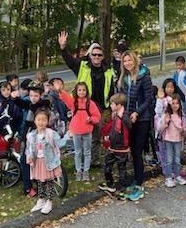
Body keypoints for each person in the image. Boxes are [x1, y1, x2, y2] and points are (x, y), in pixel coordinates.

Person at [58, 31, 115, 163]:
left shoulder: (108, 71)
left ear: (102, 57)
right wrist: (63, 48)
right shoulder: (82, 66)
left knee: (95, 135)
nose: (96, 57)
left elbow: (110, 90)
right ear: (90, 55)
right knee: (81, 134)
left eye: (99, 55)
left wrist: (112, 108)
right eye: (94, 54)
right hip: (82, 105)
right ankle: (81, 159)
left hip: (99, 107)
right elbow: (70, 62)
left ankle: (93, 160)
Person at [117, 51, 153, 201]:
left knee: (137, 151)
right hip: (128, 118)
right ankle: (136, 179)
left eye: (129, 60)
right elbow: (123, 98)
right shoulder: (123, 79)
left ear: (135, 60)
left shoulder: (144, 76)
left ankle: (139, 183)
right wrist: (119, 110)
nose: (127, 63)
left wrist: (137, 113)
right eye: (125, 61)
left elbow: (149, 98)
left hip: (142, 118)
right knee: (132, 150)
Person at [56, 80, 100, 181]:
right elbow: (66, 98)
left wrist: (91, 119)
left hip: (87, 131)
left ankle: (86, 171)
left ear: (87, 91)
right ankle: (78, 170)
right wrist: (60, 90)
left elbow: (97, 116)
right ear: (76, 91)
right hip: (76, 131)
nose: (81, 92)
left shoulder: (90, 103)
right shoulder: (74, 102)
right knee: (78, 152)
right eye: (79, 90)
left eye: (84, 90)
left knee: (87, 152)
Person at [26, 108, 67, 215]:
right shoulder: (31, 135)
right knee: (39, 181)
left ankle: (49, 201)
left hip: (48, 162)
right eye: (38, 120)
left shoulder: (51, 134)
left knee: (49, 182)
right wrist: (29, 156)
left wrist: (68, 136)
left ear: (47, 121)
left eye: (44, 120)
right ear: (34, 121)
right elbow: (29, 148)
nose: (41, 122)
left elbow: (60, 143)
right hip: (37, 162)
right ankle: (41, 199)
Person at [98, 93, 132, 198]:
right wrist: (109, 137)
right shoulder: (115, 115)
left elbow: (129, 126)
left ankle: (123, 188)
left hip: (121, 148)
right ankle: (110, 184)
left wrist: (122, 117)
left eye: (112, 104)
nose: (110, 106)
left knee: (121, 168)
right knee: (107, 166)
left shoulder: (124, 115)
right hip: (112, 146)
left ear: (119, 105)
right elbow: (114, 130)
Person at [158, 94, 186, 188]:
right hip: (168, 140)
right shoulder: (167, 115)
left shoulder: (181, 116)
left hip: (178, 140)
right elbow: (160, 129)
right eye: (173, 103)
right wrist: (165, 123)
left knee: (177, 159)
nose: (175, 105)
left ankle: (178, 176)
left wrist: (183, 130)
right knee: (169, 159)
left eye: (177, 103)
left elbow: (185, 128)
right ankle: (168, 177)